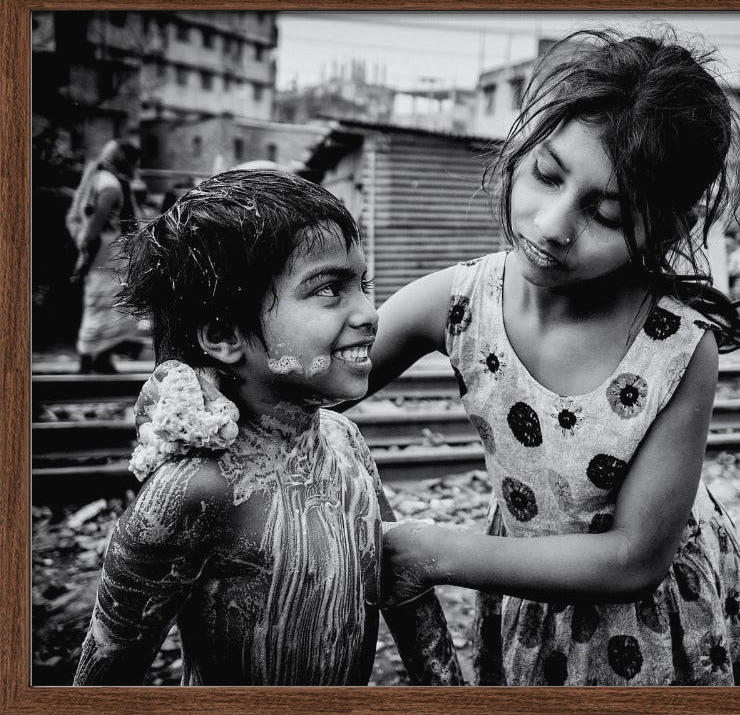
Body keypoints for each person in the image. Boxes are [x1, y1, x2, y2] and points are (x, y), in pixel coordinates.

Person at [367, 29, 740, 685]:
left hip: (645, 623)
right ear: (519, 147)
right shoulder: (461, 299)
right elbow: (322, 381)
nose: (552, 223)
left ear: (662, 228)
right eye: (547, 174)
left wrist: (437, 551)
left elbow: (636, 556)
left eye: (606, 212)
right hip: (528, 591)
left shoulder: (676, 345)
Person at [73, 170, 463, 686]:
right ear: (223, 334)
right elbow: (105, 671)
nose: (369, 313)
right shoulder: (193, 488)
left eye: (362, 285)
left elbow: (406, 592)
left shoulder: (345, 442)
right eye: (329, 290)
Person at [66, 139, 145, 373]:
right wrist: (84, 256)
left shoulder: (99, 179)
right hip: (107, 254)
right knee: (109, 304)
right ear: (126, 160)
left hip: (103, 254)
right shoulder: (111, 185)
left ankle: (91, 357)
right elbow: (95, 226)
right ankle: (98, 359)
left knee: (98, 305)